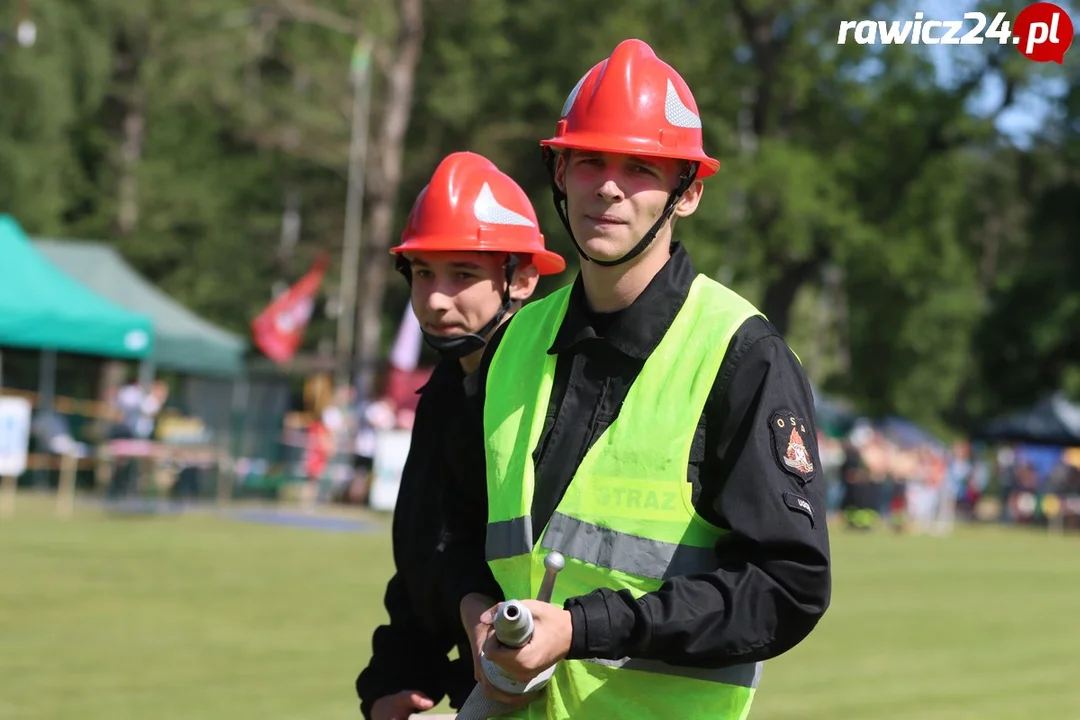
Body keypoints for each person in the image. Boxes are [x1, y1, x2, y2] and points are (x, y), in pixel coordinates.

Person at [442, 39, 832, 719]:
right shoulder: (517, 341)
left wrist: (583, 629)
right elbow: (467, 532)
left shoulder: (742, 353)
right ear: (559, 173)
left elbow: (786, 588)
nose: (610, 186)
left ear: (689, 193)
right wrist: (477, 608)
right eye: (589, 160)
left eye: (641, 167)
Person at [354, 152, 566, 720]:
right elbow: (424, 564)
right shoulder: (445, 391)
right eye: (424, 273)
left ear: (522, 278)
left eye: (463, 274)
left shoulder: (548, 398)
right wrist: (390, 685)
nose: (437, 298)